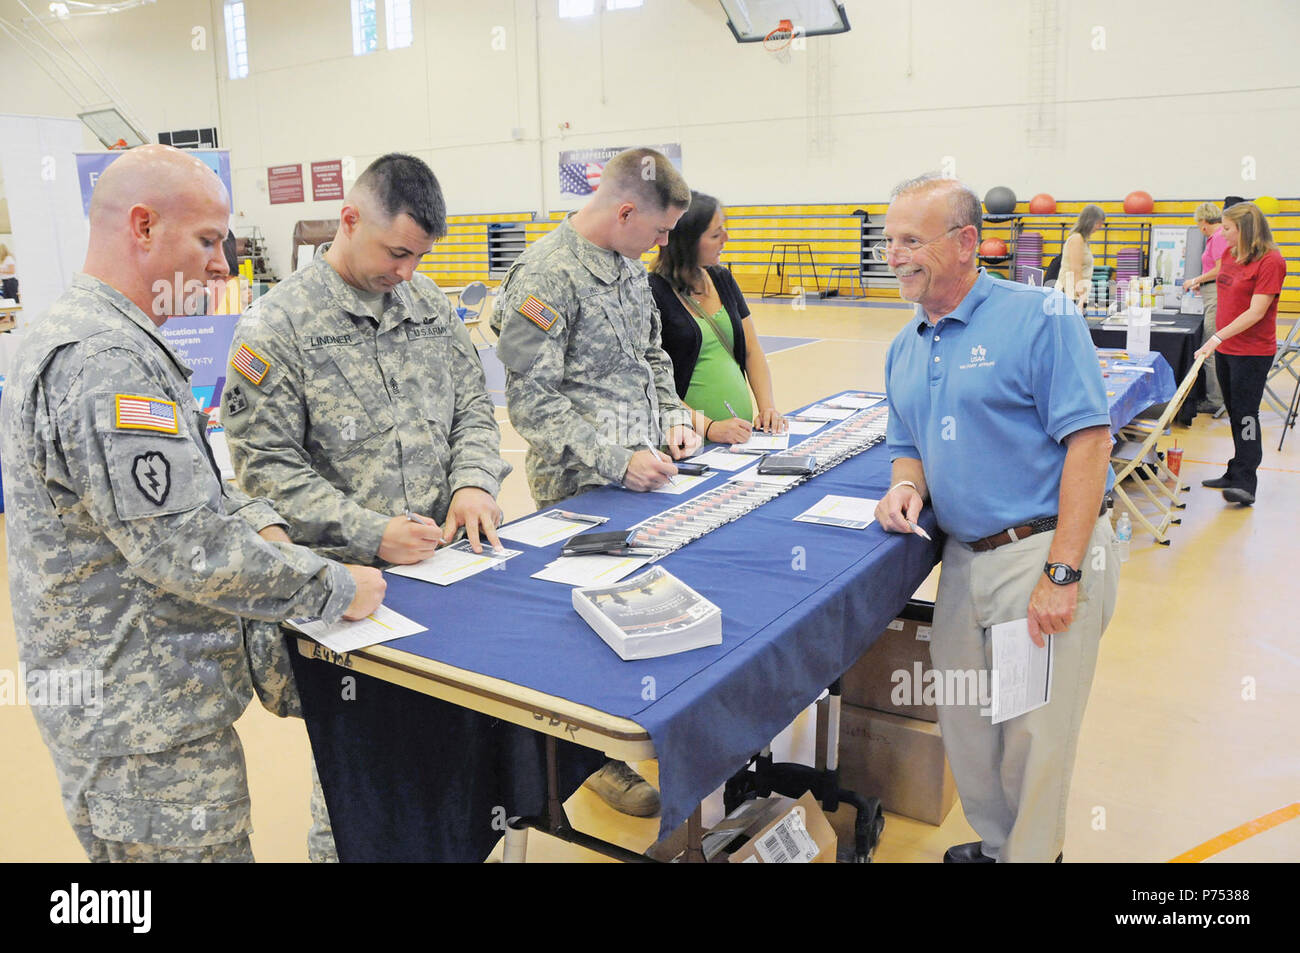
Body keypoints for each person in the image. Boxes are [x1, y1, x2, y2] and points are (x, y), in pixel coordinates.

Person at [0, 144, 384, 863]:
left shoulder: (102, 338)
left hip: (144, 715)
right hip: (142, 737)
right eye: (208, 240)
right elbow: (185, 547)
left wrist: (256, 519)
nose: (223, 265)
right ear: (142, 227)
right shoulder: (104, 361)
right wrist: (332, 586)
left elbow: (187, 491)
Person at [221, 153, 513, 861]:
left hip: (449, 580)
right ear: (350, 220)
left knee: (458, 760)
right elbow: (265, 471)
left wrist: (475, 479)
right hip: (353, 600)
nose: (407, 270)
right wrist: (370, 531)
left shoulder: (431, 306)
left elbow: (475, 407)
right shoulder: (277, 326)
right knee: (359, 784)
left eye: (420, 255)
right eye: (397, 252)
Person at [872, 174, 1120, 863]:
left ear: (965, 243)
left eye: (911, 240)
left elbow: (1091, 443)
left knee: (1031, 736)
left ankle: (1034, 856)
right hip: (964, 561)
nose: (894, 254)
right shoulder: (907, 344)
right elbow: (906, 446)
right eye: (888, 240)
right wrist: (905, 487)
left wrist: (1063, 572)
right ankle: (1004, 845)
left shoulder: (1040, 317)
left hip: (1037, 554)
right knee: (971, 725)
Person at [491, 147, 700, 817]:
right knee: (589, 627)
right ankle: (593, 760)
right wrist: (615, 458)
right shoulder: (545, 276)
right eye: (661, 229)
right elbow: (532, 403)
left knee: (644, 609)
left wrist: (673, 417)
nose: (665, 242)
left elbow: (651, 355)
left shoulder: (627, 268)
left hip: (645, 474)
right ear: (626, 209)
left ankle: (643, 727)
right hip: (579, 486)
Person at [649, 191, 786, 442]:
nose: (726, 238)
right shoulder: (653, 293)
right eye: (715, 234)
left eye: (723, 229)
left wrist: (767, 407)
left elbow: (752, 350)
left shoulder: (722, 279)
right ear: (686, 242)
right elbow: (656, 386)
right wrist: (710, 427)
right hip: (687, 442)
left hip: (736, 440)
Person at [1193, 201, 1286, 507]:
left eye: (1228, 228)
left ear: (1244, 229)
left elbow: (1256, 311)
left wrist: (1216, 337)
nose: (1223, 233)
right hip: (1228, 349)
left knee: (1246, 414)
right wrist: (1199, 283)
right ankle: (1235, 469)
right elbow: (1223, 281)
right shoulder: (1229, 254)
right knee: (1234, 411)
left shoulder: (1271, 261)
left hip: (1252, 351)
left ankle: (1247, 480)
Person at [1184, 203, 1228, 414]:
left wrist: (1196, 279)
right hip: (1211, 292)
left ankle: (1215, 400)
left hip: (1216, 294)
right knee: (1210, 346)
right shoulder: (1216, 237)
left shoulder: (1218, 237)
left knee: (1209, 349)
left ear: (1203, 222)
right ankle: (1215, 396)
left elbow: (1220, 269)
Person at [1056, 204, 1105, 312]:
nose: (1099, 227)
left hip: (1075, 295)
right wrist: (1082, 296)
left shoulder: (1083, 240)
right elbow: (1076, 270)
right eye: (1098, 223)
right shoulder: (1077, 239)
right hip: (1070, 295)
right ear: (1090, 222)